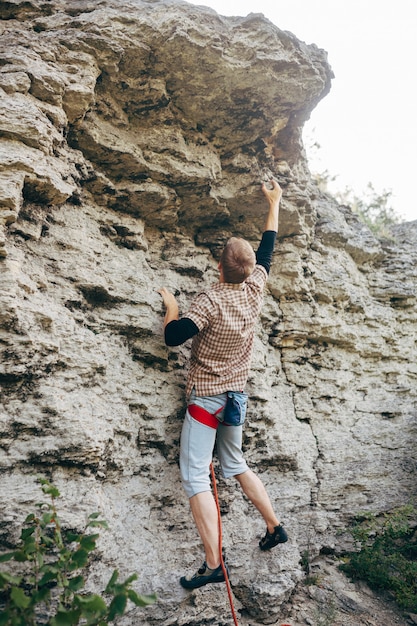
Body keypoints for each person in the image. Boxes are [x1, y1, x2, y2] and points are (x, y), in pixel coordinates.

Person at [158, 180, 288, 590]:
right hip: (236, 398)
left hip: (206, 400)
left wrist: (173, 308)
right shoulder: (254, 290)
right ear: (250, 270)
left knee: (196, 475)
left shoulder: (211, 300)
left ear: (220, 267)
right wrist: (275, 202)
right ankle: (274, 525)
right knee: (234, 463)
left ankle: (213, 564)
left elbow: (175, 336)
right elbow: (268, 246)